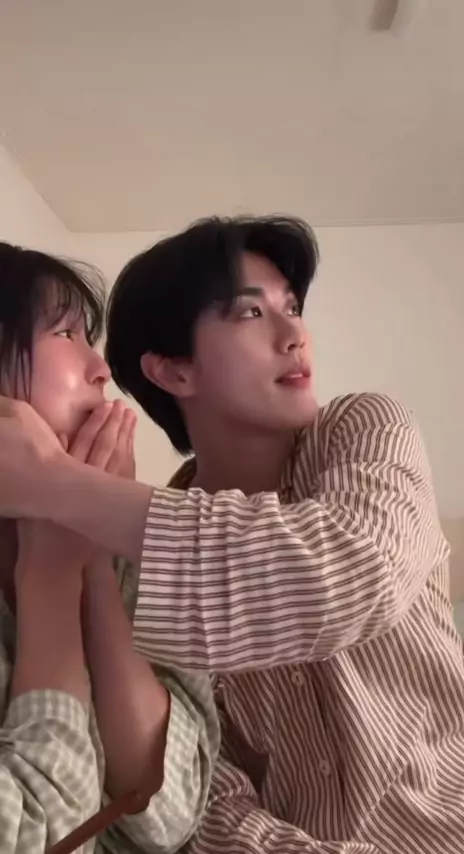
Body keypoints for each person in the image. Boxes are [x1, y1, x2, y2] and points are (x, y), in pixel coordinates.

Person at [0, 217, 464, 854]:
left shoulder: (365, 429)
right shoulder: (146, 550)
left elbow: (350, 570)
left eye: (293, 307)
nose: (295, 334)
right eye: (252, 312)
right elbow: (207, 811)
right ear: (174, 371)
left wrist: (58, 489)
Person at [0, 242, 218, 853]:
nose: (101, 370)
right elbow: (42, 835)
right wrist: (50, 575)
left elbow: (170, 815)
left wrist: (91, 556)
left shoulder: (135, 557)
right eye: (65, 332)